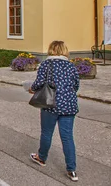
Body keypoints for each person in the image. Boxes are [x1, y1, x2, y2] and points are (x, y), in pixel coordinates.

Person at [29, 40, 80, 182]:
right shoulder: (71, 66)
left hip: (50, 104)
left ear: (51, 50)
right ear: (64, 50)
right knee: (67, 137)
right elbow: (76, 85)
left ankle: (41, 157)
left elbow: (39, 83)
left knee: (47, 132)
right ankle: (72, 170)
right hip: (69, 105)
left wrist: (31, 89)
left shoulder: (46, 64)